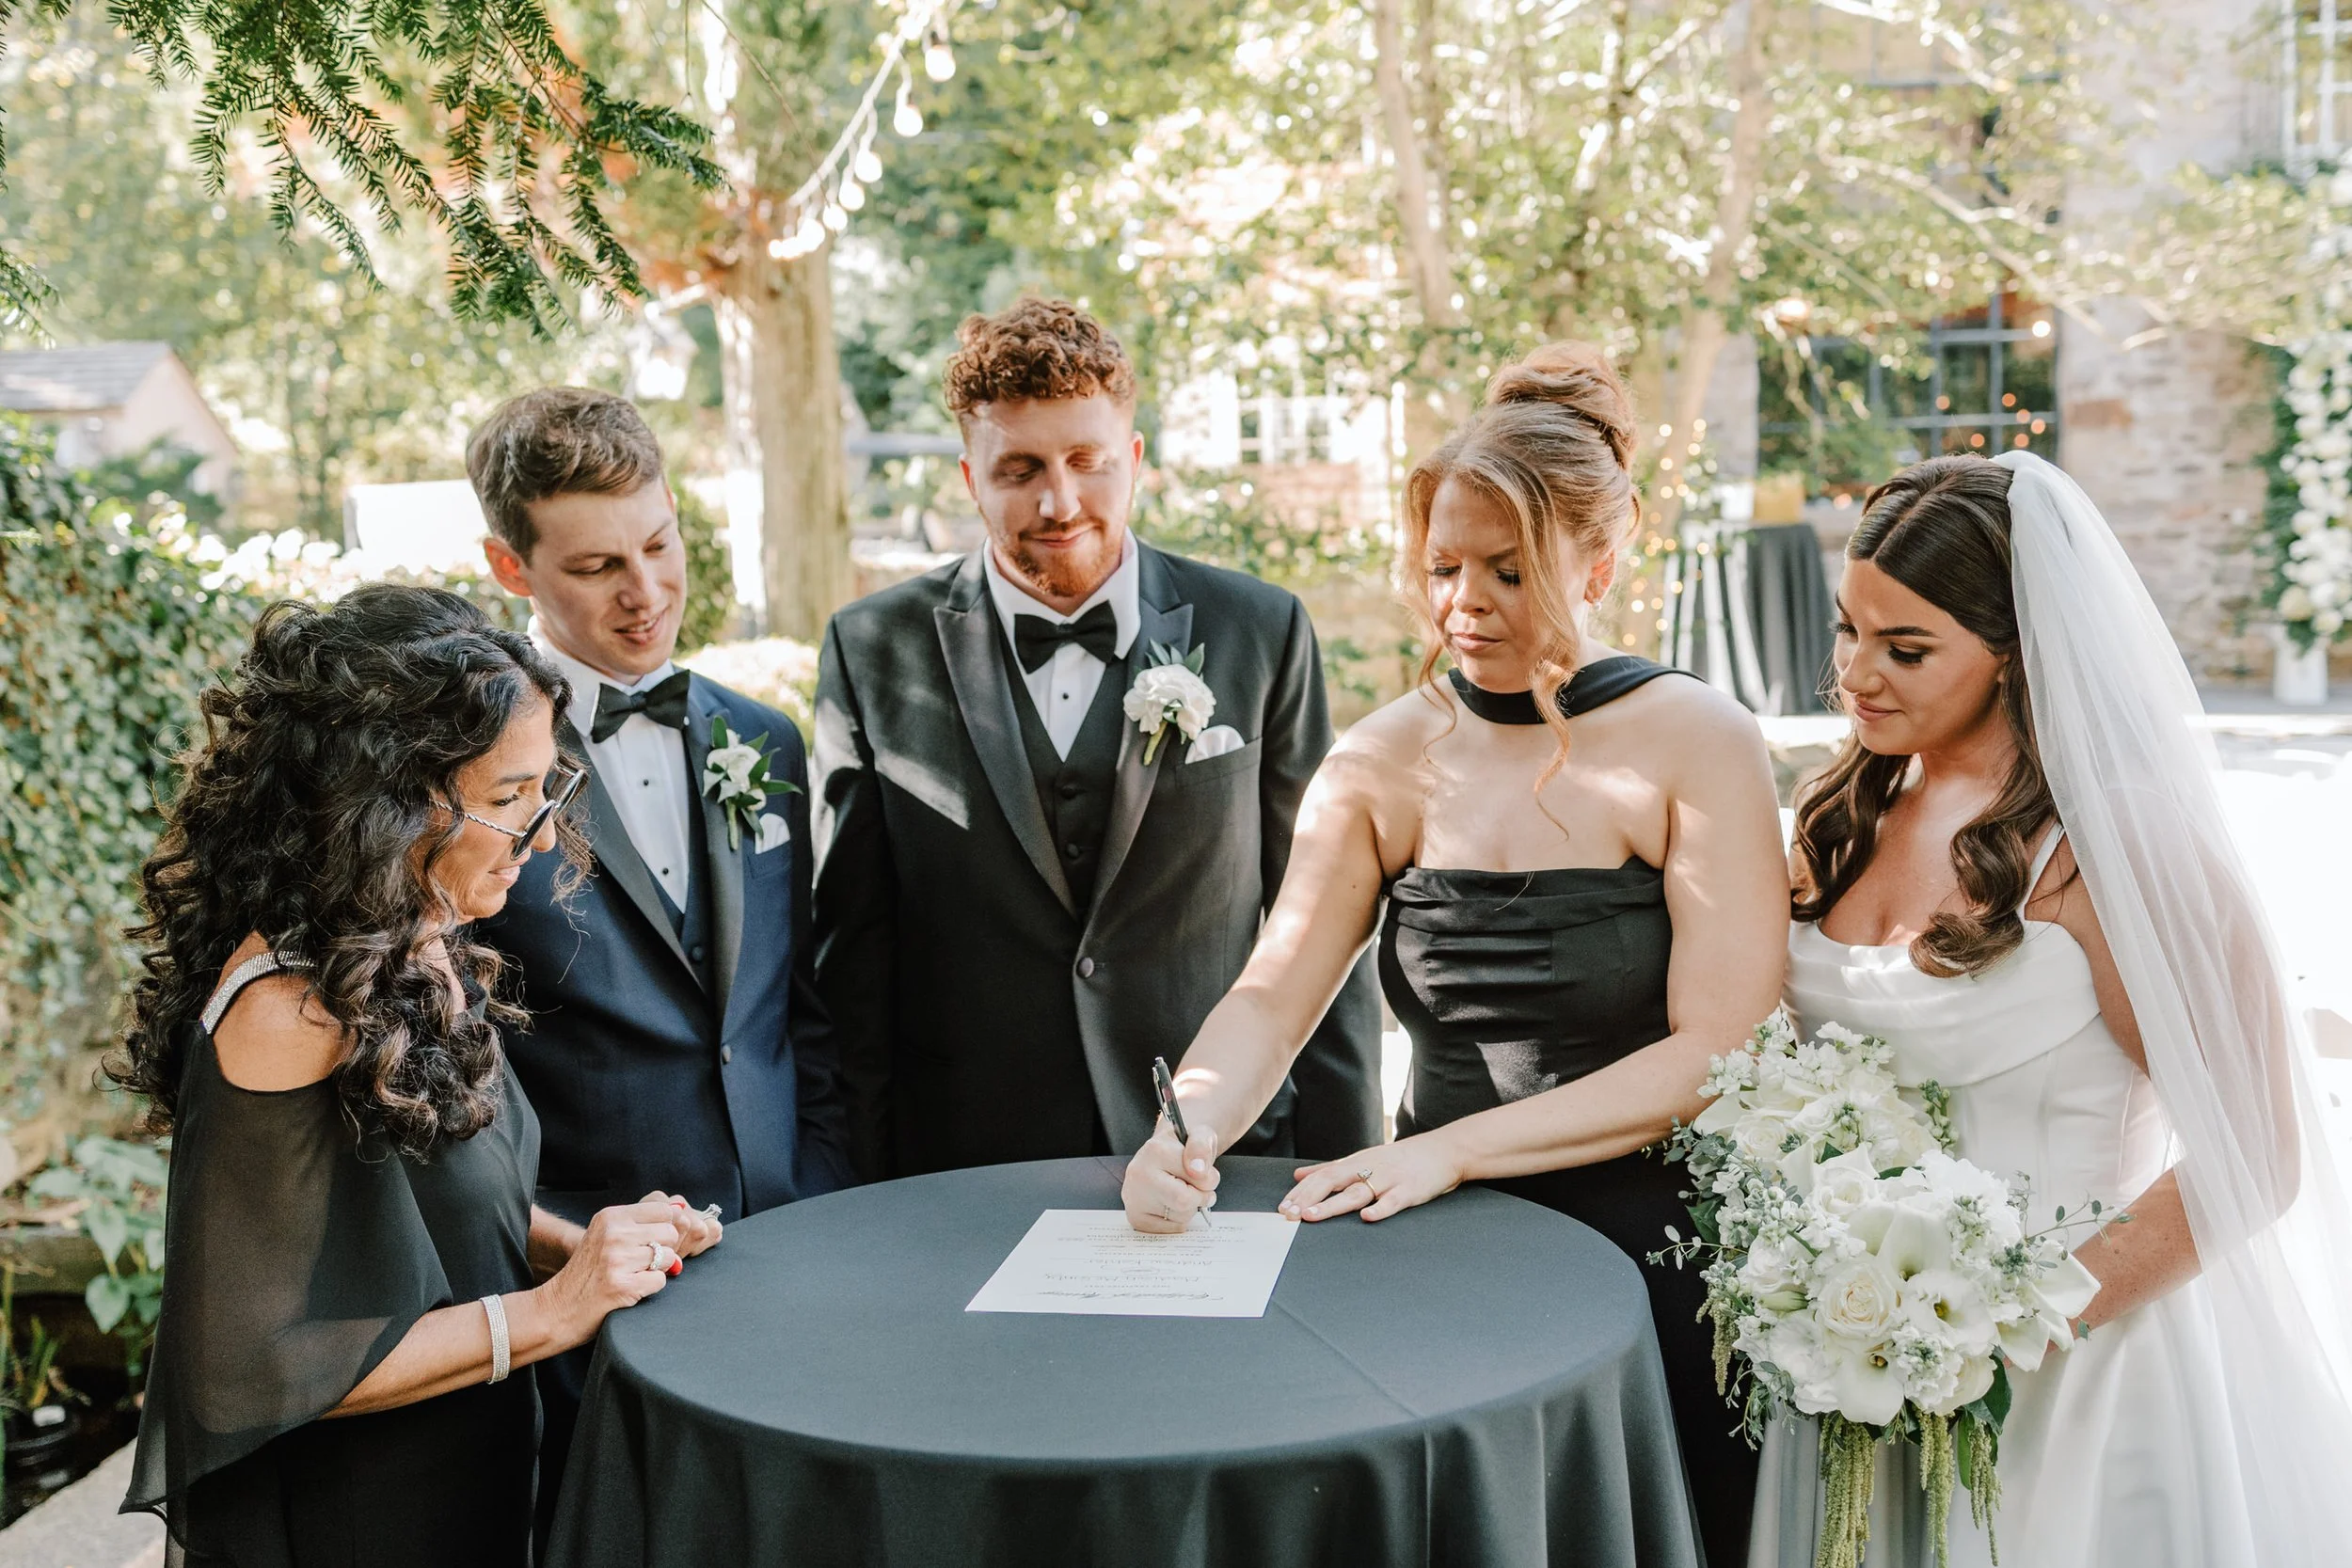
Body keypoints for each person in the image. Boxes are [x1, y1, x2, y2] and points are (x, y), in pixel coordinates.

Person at [1121, 342, 1789, 1564]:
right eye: (1442, 567)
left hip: (1656, 1258)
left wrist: (1440, 1151)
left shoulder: (1700, 739)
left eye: (1505, 568)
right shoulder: (1381, 759)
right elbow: (1273, 994)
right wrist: (1188, 1127)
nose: (1464, 604)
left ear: (1602, 554)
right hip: (1442, 1252)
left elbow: (1720, 1048)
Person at [1749, 452, 2352, 1567]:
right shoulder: (1841, 811)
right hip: (1855, 1362)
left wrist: (2004, 1324)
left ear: (2016, 652)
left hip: (2077, 1376)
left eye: (1904, 647)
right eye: (1847, 631)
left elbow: (2255, 1154)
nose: (1853, 674)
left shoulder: (2111, 847)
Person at [115, 586, 723, 1566]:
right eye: (505, 799)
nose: (540, 833)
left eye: (544, 788)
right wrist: (553, 1312)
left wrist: (594, 1252)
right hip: (355, 1517)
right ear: (386, 805)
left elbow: (434, 1207)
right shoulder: (286, 1008)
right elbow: (254, 1366)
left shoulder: (422, 935)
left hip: (471, 1467)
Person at [811, 298, 1382, 1178]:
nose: (1059, 499)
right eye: (1020, 469)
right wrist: (862, 1193)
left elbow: (1321, 918)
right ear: (970, 477)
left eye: (1088, 461)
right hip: (967, 1165)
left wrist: (1346, 1164)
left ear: (1136, 461)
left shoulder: (1259, 631)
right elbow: (857, 959)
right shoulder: (871, 648)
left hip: (1217, 1153)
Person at [466, 387, 855, 1542]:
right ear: (509, 564)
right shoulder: (472, 764)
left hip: (789, 1258)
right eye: (596, 566)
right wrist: (556, 1244)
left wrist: (817, 1194)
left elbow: (795, 1011)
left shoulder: (760, 737)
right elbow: (447, 1052)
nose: (645, 593)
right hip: (586, 1281)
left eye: (660, 543)